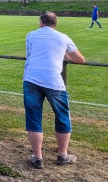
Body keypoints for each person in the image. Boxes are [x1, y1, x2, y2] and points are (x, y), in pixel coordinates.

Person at [23, 11, 86, 169]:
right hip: (54, 82)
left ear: (40, 23)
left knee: (33, 118)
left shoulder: (30, 35)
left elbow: (31, 53)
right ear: (55, 24)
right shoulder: (63, 37)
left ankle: (38, 158)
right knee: (63, 116)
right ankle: (62, 155)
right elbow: (80, 59)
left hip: (31, 79)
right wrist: (65, 55)